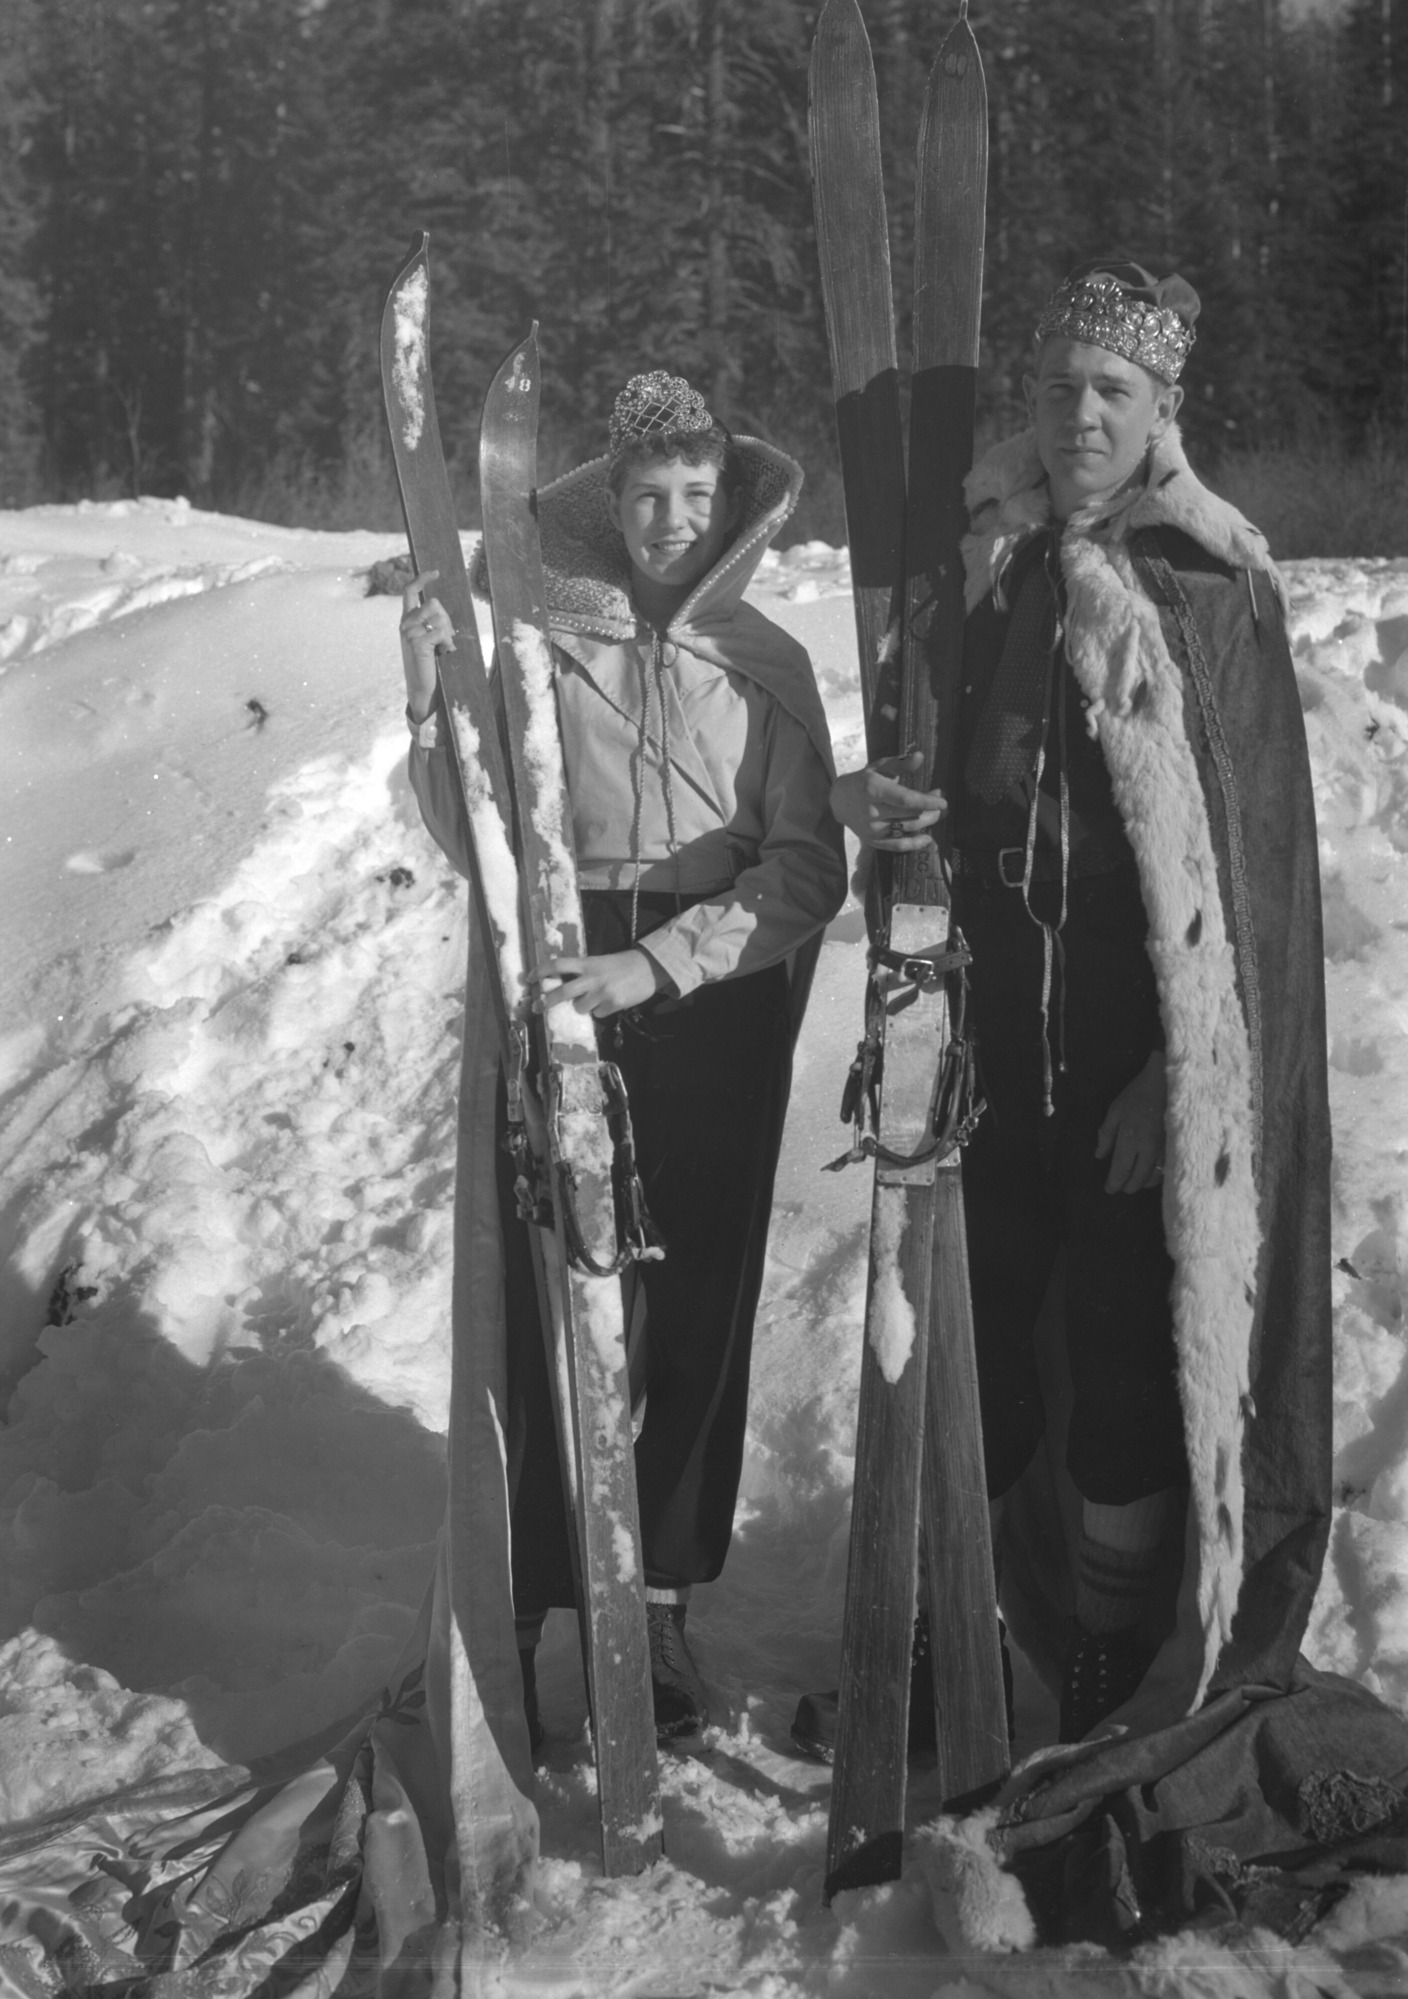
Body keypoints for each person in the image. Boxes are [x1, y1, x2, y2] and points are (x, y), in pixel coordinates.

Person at [832, 258, 1332, 1754]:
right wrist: (889, 810)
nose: (1078, 418)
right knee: (962, 1363)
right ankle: (942, 1648)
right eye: (1056, 391)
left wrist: (1178, 1082)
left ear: (1164, 411)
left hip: (1134, 1077)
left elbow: (1255, 896)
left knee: (1125, 1372)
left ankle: (1114, 1671)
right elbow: (938, 795)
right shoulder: (991, 578)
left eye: (1111, 393)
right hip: (984, 1061)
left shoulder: (1210, 593)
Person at [402, 370, 846, 1745]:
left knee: (695, 1292)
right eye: (648, 495)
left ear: (734, 510)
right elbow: (470, 825)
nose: (670, 519)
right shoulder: (545, 650)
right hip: (562, 973)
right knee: (558, 1281)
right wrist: (431, 709)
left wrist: (657, 964)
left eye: (696, 497)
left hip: (714, 996)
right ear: (611, 502)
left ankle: (655, 1613)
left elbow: (806, 866)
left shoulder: (765, 661)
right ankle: (535, 1601)